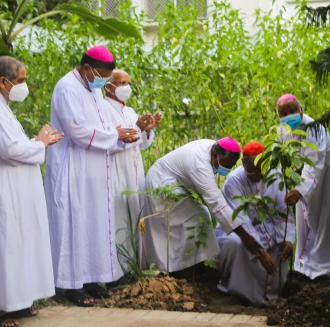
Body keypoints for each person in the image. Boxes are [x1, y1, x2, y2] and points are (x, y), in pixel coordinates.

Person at [0, 56, 63, 327]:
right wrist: (40, 143)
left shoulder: (0, 106)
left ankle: (15, 301)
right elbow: (8, 150)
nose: (24, 85)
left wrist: (38, 141)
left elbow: (15, 144)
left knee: (12, 246)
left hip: (10, 187)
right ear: (3, 82)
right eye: (20, 81)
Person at [45, 46, 139, 307]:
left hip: (96, 167)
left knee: (94, 223)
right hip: (73, 167)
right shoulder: (66, 88)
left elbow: (104, 126)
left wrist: (119, 133)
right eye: (101, 75)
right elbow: (77, 131)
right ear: (86, 68)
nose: (103, 82)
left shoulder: (95, 88)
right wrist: (114, 136)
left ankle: (91, 279)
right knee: (75, 224)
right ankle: (70, 285)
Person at [140, 138, 278, 276]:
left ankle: (193, 266)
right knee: (197, 219)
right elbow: (218, 205)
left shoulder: (214, 148)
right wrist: (250, 241)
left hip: (175, 184)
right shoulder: (200, 165)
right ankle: (183, 269)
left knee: (200, 217)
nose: (226, 169)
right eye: (225, 165)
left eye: (230, 166)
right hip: (161, 184)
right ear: (214, 155)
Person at [276, 94, 330, 279]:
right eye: (283, 113)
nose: (289, 115)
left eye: (292, 111)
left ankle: (329, 268)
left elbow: (315, 162)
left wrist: (300, 190)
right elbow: (281, 157)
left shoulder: (314, 128)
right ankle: (306, 266)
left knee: (329, 217)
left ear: (301, 109)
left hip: (329, 171)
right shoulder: (282, 130)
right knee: (306, 218)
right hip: (308, 177)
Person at [215, 142, 295, 305]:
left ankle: (273, 293)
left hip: (268, 226)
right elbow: (240, 221)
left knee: (281, 243)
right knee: (236, 243)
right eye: (250, 173)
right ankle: (239, 293)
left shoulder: (276, 176)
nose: (255, 177)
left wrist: (288, 239)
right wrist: (260, 251)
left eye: (259, 172)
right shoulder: (233, 182)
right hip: (239, 231)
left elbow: (282, 212)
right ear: (243, 164)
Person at [104, 70, 161, 274]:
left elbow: (141, 144)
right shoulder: (103, 109)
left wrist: (147, 129)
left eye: (128, 83)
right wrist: (137, 128)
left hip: (135, 169)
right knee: (120, 217)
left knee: (137, 216)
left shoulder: (129, 111)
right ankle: (118, 271)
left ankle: (135, 265)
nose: (126, 87)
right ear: (109, 87)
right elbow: (115, 141)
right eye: (121, 83)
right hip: (118, 169)